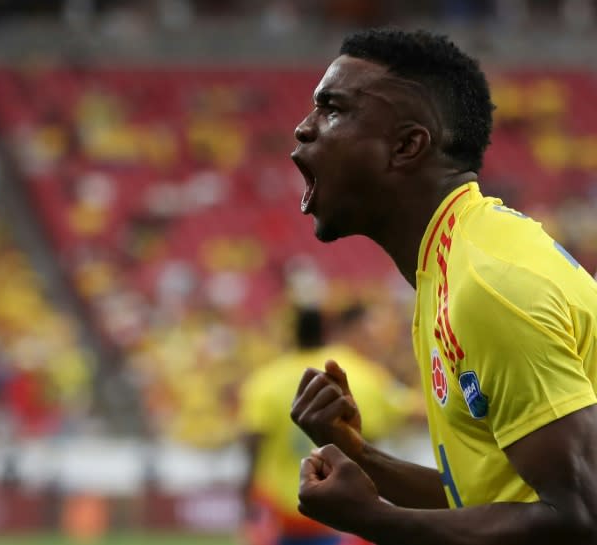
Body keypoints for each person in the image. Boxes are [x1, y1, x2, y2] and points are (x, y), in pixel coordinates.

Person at [288, 27, 597, 544]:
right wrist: (364, 459)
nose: (303, 129)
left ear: (407, 146)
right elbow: (497, 501)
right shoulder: (450, 266)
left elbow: (577, 517)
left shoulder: (489, 285)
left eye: (333, 109)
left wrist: (373, 520)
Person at [239, 305, 416, 545]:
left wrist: (245, 504)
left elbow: (253, 447)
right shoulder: (361, 373)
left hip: (285, 513)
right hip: (344, 512)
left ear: (292, 333)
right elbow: (379, 436)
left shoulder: (265, 381)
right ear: (327, 330)